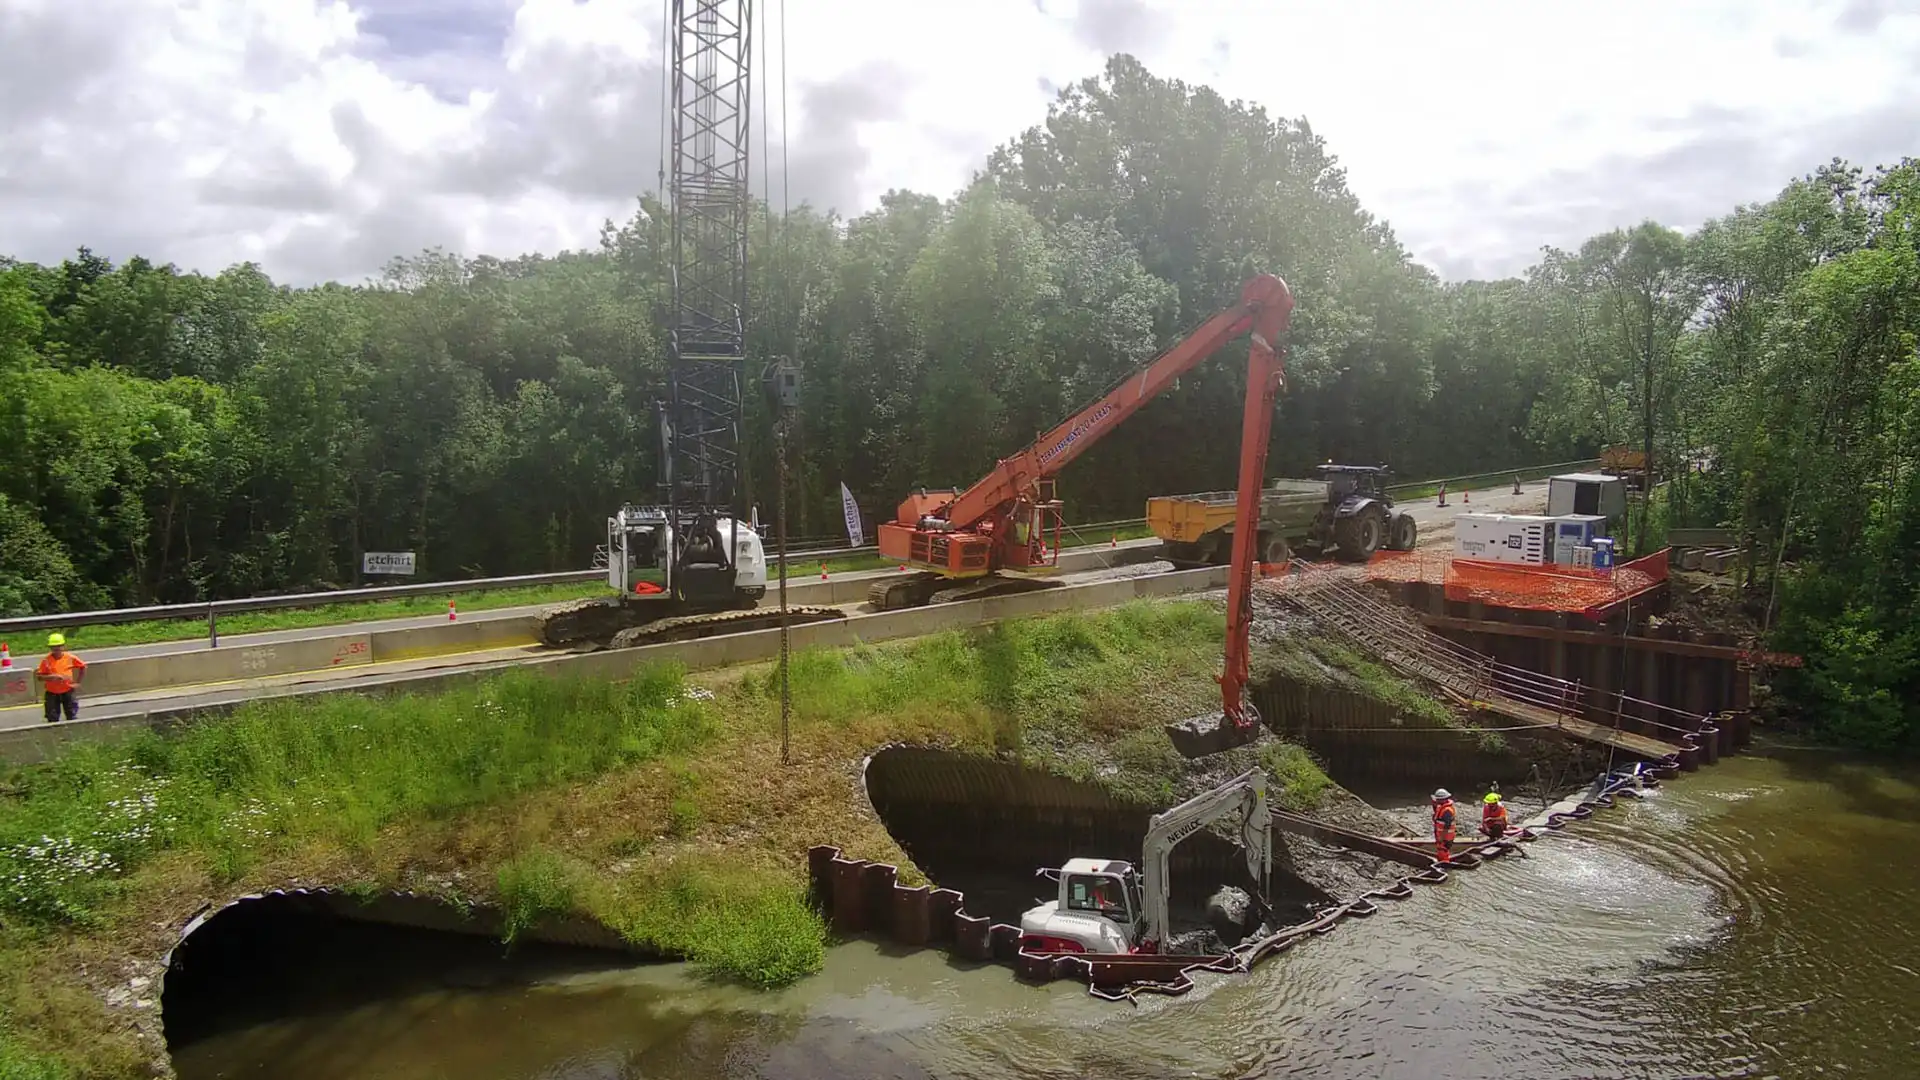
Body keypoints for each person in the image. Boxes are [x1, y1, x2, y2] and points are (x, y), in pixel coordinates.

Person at [34, 633, 86, 724]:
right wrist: (51, 677)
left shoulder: (70, 658)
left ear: (63, 646)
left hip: (68, 690)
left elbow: (83, 667)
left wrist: (78, 682)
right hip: (52, 692)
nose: (56, 649)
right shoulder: (46, 661)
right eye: (53, 647)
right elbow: (39, 677)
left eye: (58, 646)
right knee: (52, 717)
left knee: (72, 715)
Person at [1430, 787, 1457, 864]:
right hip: (1441, 836)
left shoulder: (1447, 811)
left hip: (1446, 837)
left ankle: (1445, 866)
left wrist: (1442, 837)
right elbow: (1437, 814)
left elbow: (1447, 825)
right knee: (1441, 851)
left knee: (1443, 852)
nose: (1437, 801)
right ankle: (1442, 863)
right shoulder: (1441, 806)